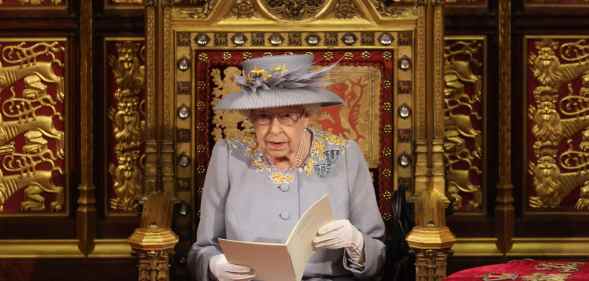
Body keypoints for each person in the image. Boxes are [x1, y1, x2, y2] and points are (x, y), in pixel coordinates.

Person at [188, 54, 386, 281]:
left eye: (287, 117)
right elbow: (201, 249)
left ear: (307, 115)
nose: (274, 130)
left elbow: (378, 256)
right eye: (263, 117)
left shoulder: (345, 155)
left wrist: (356, 243)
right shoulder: (228, 156)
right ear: (251, 118)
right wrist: (214, 264)